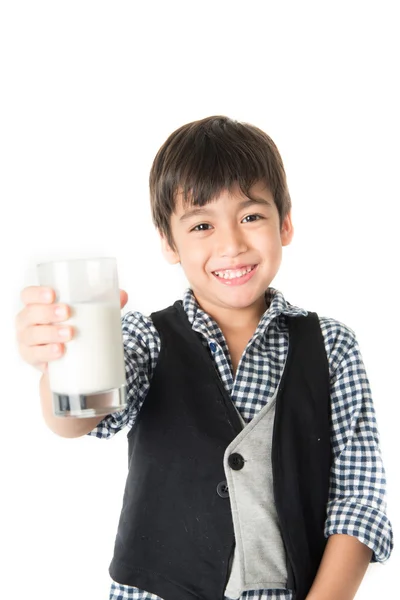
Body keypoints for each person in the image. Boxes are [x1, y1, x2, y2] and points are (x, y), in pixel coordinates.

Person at [15, 115, 393, 600]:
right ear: (169, 243)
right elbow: (79, 417)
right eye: (201, 224)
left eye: (251, 216)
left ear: (286, 222)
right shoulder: (144, 337)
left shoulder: (332, 346)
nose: (231, 244)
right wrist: (58, 361)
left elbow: (358, 499)